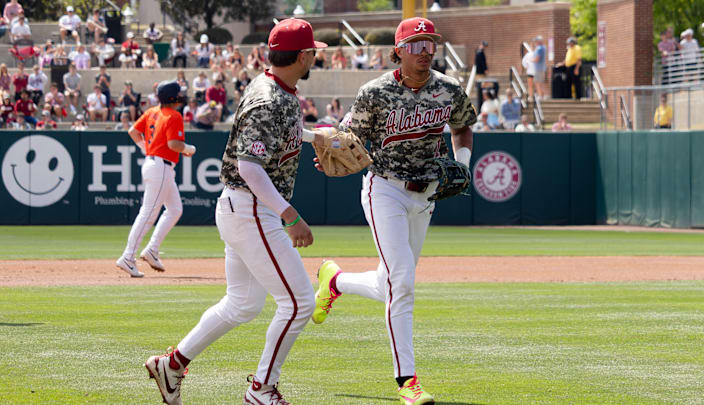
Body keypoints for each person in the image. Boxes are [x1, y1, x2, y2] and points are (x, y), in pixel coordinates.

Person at [143, 18, 326, 405]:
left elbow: (272, 134)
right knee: (299, 303)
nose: (314, 56)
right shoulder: (269, 98)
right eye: (313, 51)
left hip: (243, 208)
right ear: (304, 55)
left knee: (242, 304)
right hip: (251, 207)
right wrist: (290, 214)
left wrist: (316, 137)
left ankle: (172, 365)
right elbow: (249, 167)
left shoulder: (274, 87)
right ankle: (262, 389)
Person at [312, 17, 476, 405]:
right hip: (384, 188)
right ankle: (407, 380)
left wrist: (463, 162)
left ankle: (335, 282)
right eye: (417, 44)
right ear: (398, 50)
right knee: (403, 281)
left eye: (430, 43)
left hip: (428, 193)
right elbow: (348, 136)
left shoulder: (448, 89)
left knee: (391, 282)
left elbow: (463, 127)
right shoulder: (375, 92)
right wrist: (332, 153)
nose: (425, 50)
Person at [117, 80, 195, 277]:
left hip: (157, 165)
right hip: (160, 167)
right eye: (178, 94)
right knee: (148, 213)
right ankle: (128, 256)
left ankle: (152, 249)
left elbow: (133, 132)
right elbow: (174, 144)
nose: (180, 96)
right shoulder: (174, 115)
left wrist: (146, 149)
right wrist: (188, 149)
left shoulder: (152, 112)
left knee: (175, 209)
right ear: (172, 97)